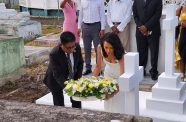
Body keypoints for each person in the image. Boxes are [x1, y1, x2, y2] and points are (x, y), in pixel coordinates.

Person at [43, 32, 83, 108]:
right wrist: (68, 88)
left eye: (73, 46)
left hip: (71, 76)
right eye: (68, 48)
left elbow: (80, 63)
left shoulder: (76, 47)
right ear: (61, 45)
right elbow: (57, 74)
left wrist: (77, 80)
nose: (71, 49)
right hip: (55, 79)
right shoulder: (54, 54)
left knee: (76, 100)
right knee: (59, 104)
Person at [92, 32, 125, 112]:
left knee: (117, 101)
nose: (108, 50)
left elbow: (122, 76)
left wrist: (113, 93)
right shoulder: (100, 47)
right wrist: (91, 83)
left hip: (119, 76)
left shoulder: (121, 54)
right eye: (106, 47)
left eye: (111, 48)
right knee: (107, 100)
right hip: (108, 74)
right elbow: (98, 66)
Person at [132, 0, 162, 80]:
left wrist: (147, 27)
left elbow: (157, 15)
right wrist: (141, 26)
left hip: (153, 30)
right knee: (141, 52)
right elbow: (135, 14)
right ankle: (141, 71)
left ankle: (154, 72)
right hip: (140, 31)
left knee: (154, 53)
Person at [78, 0, 105, 75]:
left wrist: (102, 29)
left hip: (96, 26)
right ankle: (88, 68)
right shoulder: (83, 1)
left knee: (98, 49)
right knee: (87, 48)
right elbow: (81, 15)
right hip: (85, 26)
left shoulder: (100, 1)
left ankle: (99, 68)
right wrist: (79, 27)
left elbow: (102, 15)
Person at [175, 4, 186, 80]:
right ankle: (182, 74)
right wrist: (180, 23)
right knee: (182, 52)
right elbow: (175, 18)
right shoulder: (181, 7)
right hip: (182, 33)